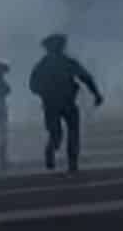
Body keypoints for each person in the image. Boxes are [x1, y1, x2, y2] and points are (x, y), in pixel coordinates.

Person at [29, 34, 104, 173]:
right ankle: (52, 150)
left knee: (72, 132)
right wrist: (45, 93)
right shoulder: (44, 65)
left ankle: (72, 161)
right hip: (52, 104)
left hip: (67, 102)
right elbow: (33, 85)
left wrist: (96, 94)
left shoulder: (65, 62)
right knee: (57, 133)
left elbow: (85, 78)